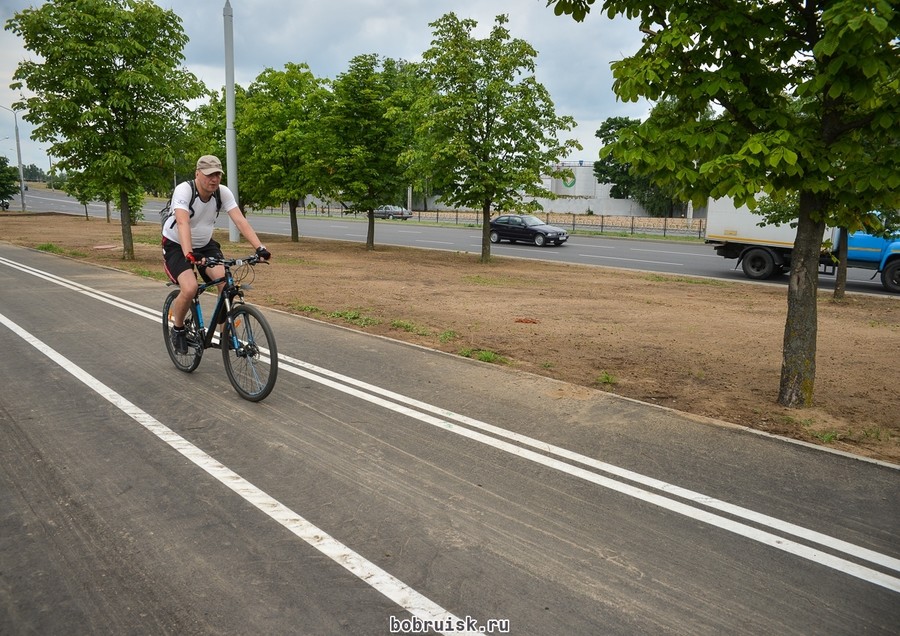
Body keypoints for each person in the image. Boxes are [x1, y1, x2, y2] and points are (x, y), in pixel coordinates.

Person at [162, 154, 271, 354]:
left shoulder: (222, 192)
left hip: (205, 245)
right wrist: (188, 254)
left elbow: (240, 220)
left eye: (218, 175)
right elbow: (183, 222)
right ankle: (177, 329)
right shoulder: (185, 190)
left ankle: (225, 333)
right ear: (197, 174)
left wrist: (259, 248)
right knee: (190, 288)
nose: (214, 179)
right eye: (209, 175)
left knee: (225, 283)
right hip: (177, 244)